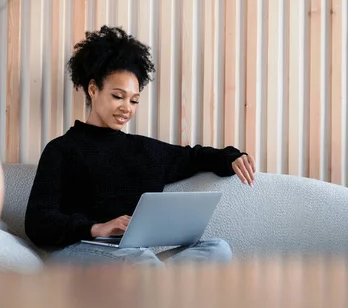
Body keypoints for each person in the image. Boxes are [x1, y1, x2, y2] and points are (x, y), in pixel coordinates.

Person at [24, 26, 256, 266]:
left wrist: (232, 156)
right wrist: (97, 228)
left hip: (134, 256)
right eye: (118, 96)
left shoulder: (146, 151)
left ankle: (154, 286)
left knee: (218, 249)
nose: (127, 107)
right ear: (93, 89)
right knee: (141, 259)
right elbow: (37, 222)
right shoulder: (61, 150)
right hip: (78, 250)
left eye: (134, 100)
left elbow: (195, 157)